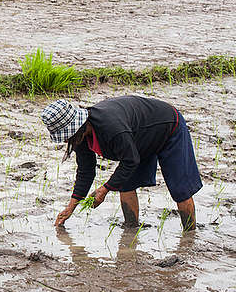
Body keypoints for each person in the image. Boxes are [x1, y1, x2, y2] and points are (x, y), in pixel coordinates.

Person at [41, 96, 201, 231]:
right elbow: (86, 171)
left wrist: (104, 189)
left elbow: (130, 161)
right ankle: (131, 229)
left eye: (66, 135)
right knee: (125, 184)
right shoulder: (80, 137)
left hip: (168, 126)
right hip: (139, 137)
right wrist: (71, 207)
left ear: (76, 126)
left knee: (180, 190)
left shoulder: (111, 128)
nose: (67, 140)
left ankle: (189, 236)